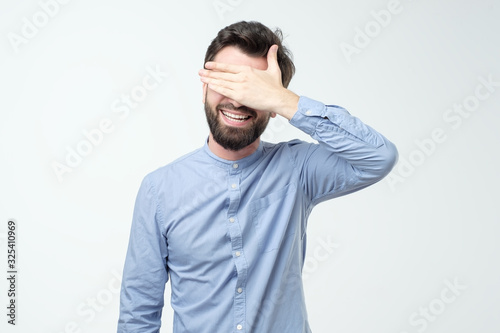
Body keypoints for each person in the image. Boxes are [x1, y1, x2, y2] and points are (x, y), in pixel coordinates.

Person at [117, 21, 398, 333]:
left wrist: (285, 100)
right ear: (204, 88)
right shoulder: (159, 190)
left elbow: (379, 157)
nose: (237, 100)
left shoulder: (298, 169)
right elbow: (138, 313)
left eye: (252, 89)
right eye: (228, 82)